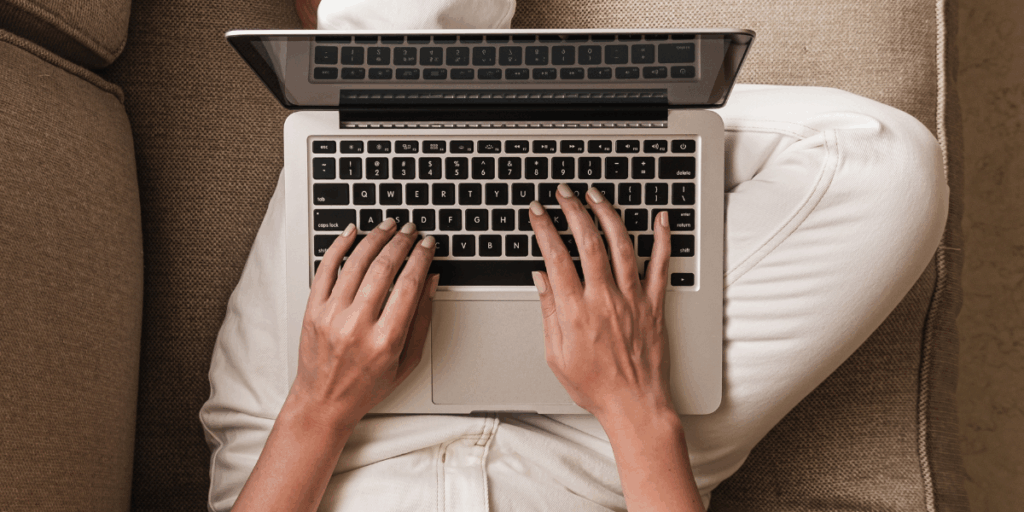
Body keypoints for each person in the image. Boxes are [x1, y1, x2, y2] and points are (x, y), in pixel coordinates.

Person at [199, 0, 950, 510]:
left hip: (325, 441)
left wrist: (322, 401)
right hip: (601, 458)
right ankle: (553, 116)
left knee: (407, 23)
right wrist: (632, 400)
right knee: (882, 164)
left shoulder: (320, 410)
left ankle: (392, 66)